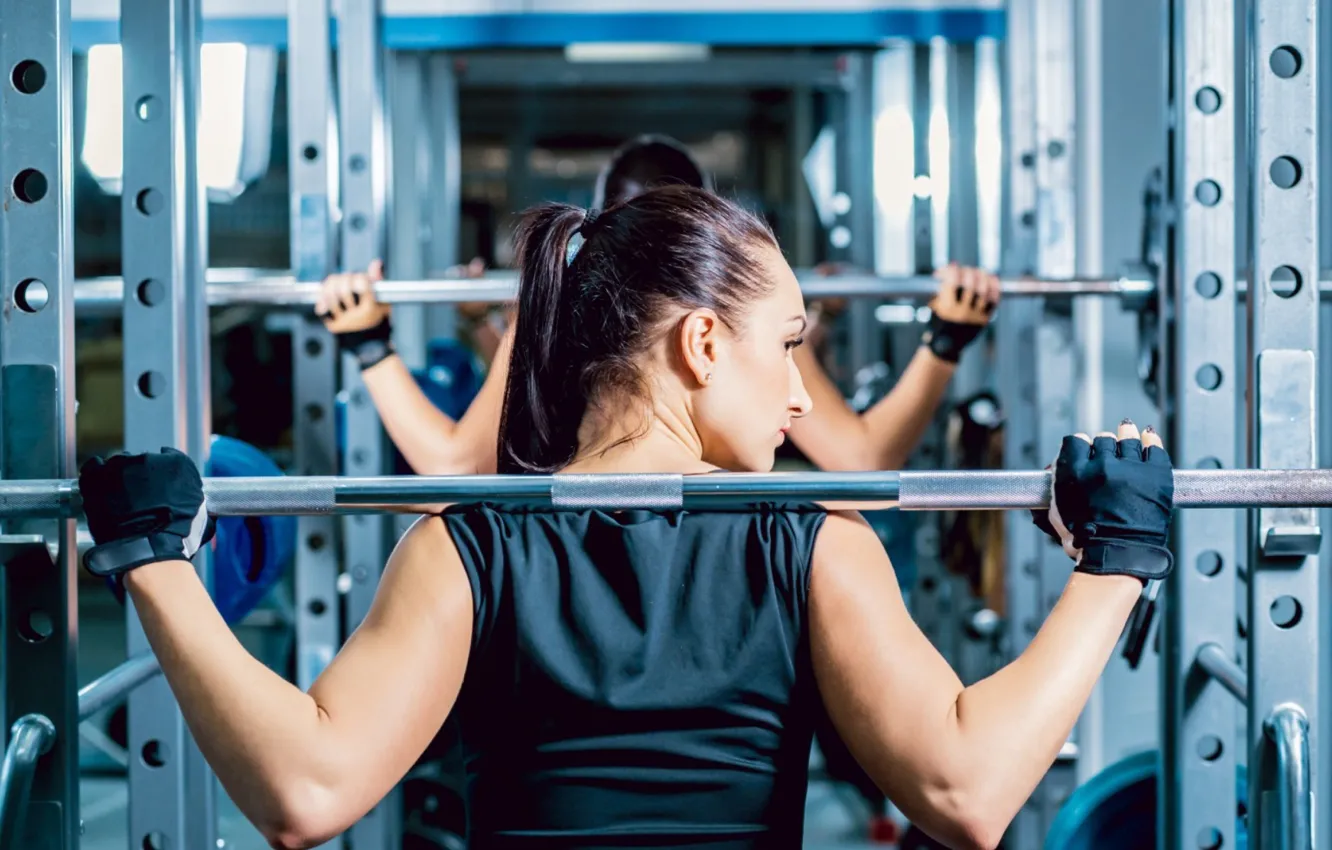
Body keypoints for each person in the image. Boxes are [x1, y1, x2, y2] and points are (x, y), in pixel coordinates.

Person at [81, 187, 1175, 850]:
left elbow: (304, 793)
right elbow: (968, 792)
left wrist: (155, 560)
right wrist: (1115, 559)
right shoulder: (815, 542)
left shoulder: (467, 546)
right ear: (702, 346)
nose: (802, 395)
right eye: (788, 346)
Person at [315, 134, 999, 477]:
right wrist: (944, 343)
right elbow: (861, 458)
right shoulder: (723, 311)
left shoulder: (565, 305)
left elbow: (460, 462)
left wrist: (370, 347)